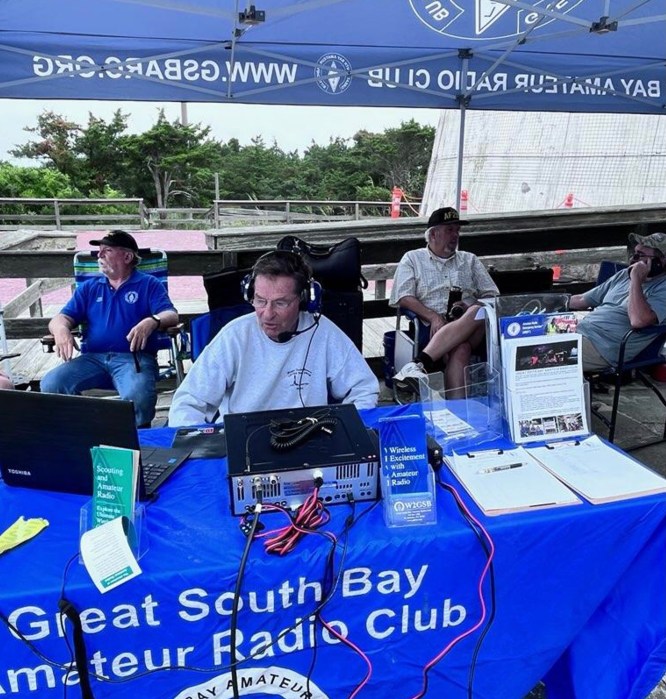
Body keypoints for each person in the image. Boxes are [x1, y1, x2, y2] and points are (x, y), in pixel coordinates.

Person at [169, 250, 378, 426]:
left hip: (306, 436)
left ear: (304, 299)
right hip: (242, 439)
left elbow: (364, 389)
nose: (267, 314)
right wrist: (205, 445)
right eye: (260, 301)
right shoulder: (234, 336)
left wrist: (341, 430)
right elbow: (187, 402)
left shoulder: (323, 332)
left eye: (280, 303)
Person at [40, 230, 179, 427]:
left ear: (127, 257)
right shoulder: (89, 287)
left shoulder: (149, 284)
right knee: (51, 384)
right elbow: (60, 318)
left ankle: (136, 436)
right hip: (93, 359)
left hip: (133, 358)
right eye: (99, 251)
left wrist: (152, 321)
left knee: (137, 395)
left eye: (107, 250)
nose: (99, 255)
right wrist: (61, 330)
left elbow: (171, 314)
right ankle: (81, 430)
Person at [390, 206, 498, 392]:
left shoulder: (469, 259)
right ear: (433, 234)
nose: (455, 235)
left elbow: (492, 295)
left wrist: (467, 307)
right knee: (461, 349)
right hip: (430, 327)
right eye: (449, 230)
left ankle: (419, 364)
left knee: (477, 309)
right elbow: (403, 296)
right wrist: (433, 317)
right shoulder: (413, 259)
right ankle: (459, 408)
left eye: (457, 230)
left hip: (470, 325)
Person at [568, 232, 666, 370]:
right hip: (579, 332)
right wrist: (548, 302)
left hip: (601, 347)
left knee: (538, 357)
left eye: (640, 255)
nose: (633, 258)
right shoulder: (624, 275)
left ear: (660, 261)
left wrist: (636, 279)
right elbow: (582, 299)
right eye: (634, 253)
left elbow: (638, 320)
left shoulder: (661, 288)